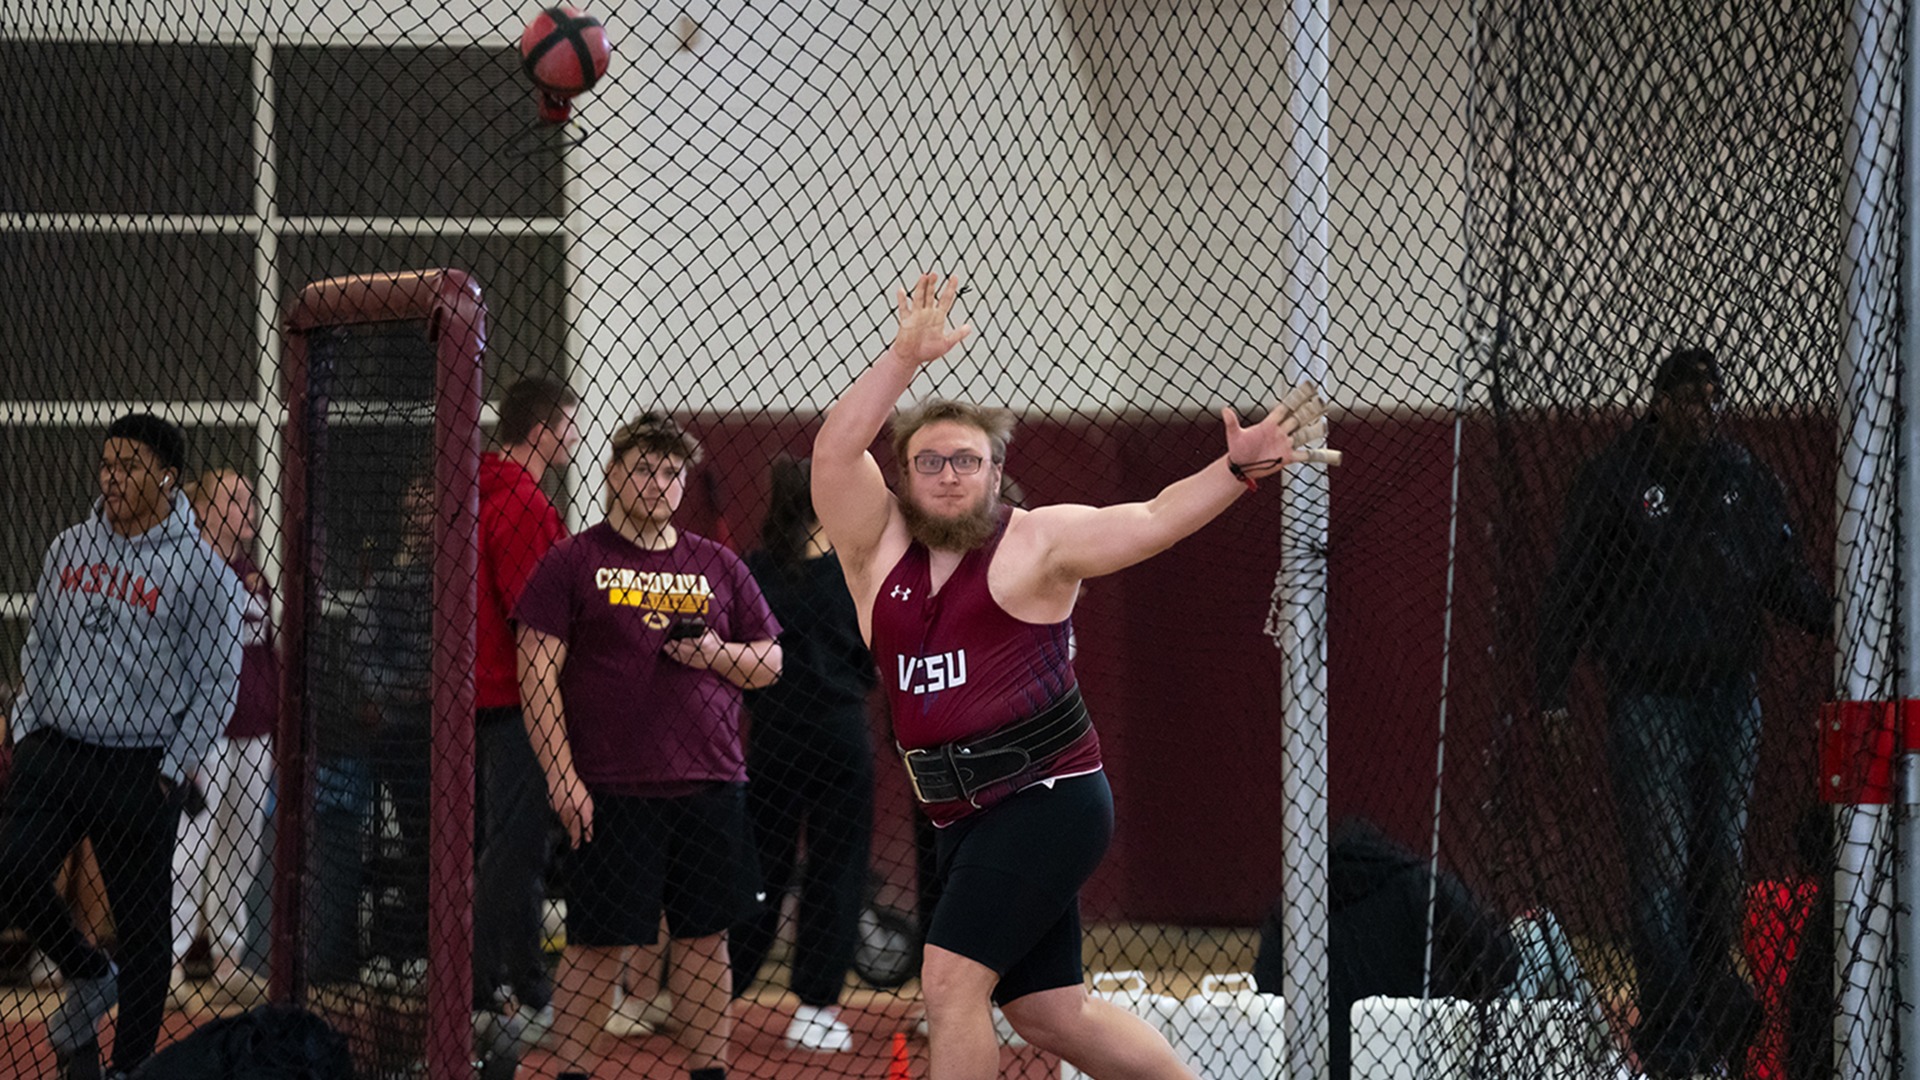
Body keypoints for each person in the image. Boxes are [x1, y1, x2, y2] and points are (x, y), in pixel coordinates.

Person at [810, 272, 1331, 1080]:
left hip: (1045, 798)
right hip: (959, 816)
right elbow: (836, 449)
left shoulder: (1038, 544)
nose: (950, 474)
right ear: (905, 475)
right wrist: (903, 359)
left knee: (950, 982)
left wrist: (1235, 471)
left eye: (967, 461)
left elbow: (1154, 518)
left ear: (993, 472)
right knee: (1046, 1012)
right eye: (931, 461)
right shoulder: (872, 549)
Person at [1535, 347, 1831, 1080]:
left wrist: (1838, 618)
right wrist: (1551, 694)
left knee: (1718, 868)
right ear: (1659, 401)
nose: (1704, 411)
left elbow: (1783, 577)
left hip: (1731, 699)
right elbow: (1571, 588)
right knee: (1661, 872)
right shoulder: (1615, 479)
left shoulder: (1743, 477)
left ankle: (1707, 1012)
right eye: (1690, 398)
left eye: (1713, 398)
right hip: (1651, 700)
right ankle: (1671, 1037)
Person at [517, 411, 783, 1080]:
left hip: (713, 781)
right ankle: (574, 1073)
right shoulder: (574, 559)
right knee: (597, 945)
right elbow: (535, 670)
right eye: (643, 468)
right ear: (611, 474)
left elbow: (772, 662)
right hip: (611, 786)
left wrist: (717, 653)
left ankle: (709, 1074)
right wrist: (561, 775)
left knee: (702, 941)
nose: (659, 482)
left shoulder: (716, 563)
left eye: (671, 472)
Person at [0, 413, 244, 1077]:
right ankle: (86, 971)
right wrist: (27, 732)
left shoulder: (205, 575)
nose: (112, 476)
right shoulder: (68, 549)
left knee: (144, 930)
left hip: (141, 766)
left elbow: (217, 685)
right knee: (13, 869)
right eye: (107, 463)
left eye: (130, 465)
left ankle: (129, 1066)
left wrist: (171, 771)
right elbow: (41, 647)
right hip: (55, 751)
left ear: (168, 477)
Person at [729, 456, 877, 1052]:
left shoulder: (752, 570)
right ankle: (815, 1006)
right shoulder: (854, 571)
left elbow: (734, 657)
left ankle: (720, 989)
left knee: (760, 864)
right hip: (840, 735)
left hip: (772, 736)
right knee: (836, 869)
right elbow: (873, 658)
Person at [473, 375, 580, 1034]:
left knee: (511, 849)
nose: (572, 434)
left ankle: (519, 984)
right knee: (513, 853)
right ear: (542, 430)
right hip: (520, 702)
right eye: (567, 423)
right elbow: (533, 621)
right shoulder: (523, 506)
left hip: (496, 697)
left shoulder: (490, 495)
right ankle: (486, 992)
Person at [170, 469, 278, 998]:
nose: (249, 510)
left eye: (251, 500)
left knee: (243, 846)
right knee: (191, 846)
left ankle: (228, 958)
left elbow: (264, 656)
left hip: (254, 727)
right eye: (235, 500)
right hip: (205, 732)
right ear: (207, 510)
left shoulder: (253, 572)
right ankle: (168, 962)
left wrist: (275, 723)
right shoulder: (189, 569)